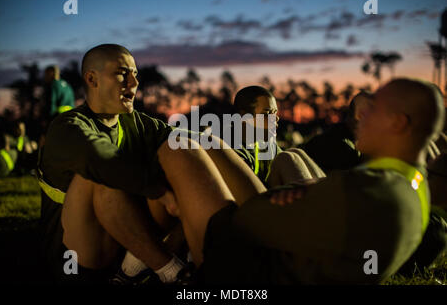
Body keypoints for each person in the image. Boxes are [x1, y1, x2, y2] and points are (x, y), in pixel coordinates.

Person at [158, 77, 445, 284]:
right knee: (277, 154)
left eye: (372, 111)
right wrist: (306, 192)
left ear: (397, 123)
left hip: (239, 269)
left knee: (180, 147)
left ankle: (152, 266)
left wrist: (297, 194)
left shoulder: (361, 190)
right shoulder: (409, 185)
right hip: (284, 253)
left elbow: (250, 219)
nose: (359, 118)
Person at [39, 44, 186, 284]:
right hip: (72, 258)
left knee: (177, 157)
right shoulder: (66, 127)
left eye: (135, 74)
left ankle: (130, 271)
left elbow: (182, 139)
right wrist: (160, 191)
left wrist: (216, 147)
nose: (134, 82)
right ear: (92, 79)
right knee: (100, 175)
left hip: (120, 243)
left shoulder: (136, 122)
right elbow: (100, 160)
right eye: (122, 73)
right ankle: (172, 271)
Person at [226, 85, 281, 185]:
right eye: (267, 113)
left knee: (294, 155)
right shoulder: (229, 149)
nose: (275, 119)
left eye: (275, 113)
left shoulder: (269, 145)